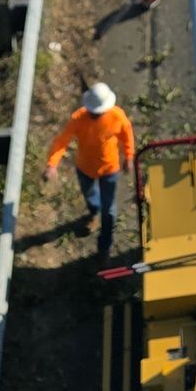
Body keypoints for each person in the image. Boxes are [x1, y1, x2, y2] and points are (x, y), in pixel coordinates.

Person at [45, 81, 135, 260]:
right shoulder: (78, 119)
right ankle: (94, 213)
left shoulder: (117, 116)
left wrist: (129, 157)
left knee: (109, 210)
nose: (95, 114)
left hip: (109, 169)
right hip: (85, 168)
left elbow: (127, 135)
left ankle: (105, 247)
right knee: (90, 195)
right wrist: (52, 164)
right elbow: (61, 141)